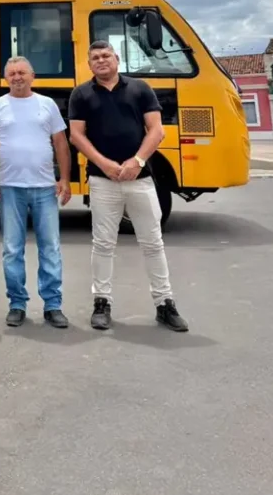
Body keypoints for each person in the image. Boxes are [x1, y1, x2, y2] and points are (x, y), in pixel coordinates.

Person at [68, 40, 189, 332]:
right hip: (101, 179)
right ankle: (102, 302)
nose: (101, 60)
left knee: (152, 243)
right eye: (95, 57)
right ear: (89, 63)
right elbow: (77, 136)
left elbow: (156, 130)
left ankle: (165, 304)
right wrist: (105, 164)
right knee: (103, 244)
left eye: (105, 55)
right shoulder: (81, 94)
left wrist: (136, 161)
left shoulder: (140, 89)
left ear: (116, 59)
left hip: (140, 179)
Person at [0, 56, 72, 329]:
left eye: (22, 73)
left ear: (32, 76)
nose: (17, 77)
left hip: (44, 187)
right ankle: (17, 304)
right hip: (10, 188)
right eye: (12, 74)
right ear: (5, 78)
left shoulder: (47, 105)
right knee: (12, 249)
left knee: (50, 248)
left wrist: (65, 179)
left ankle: (53, 305)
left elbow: (61, 143)